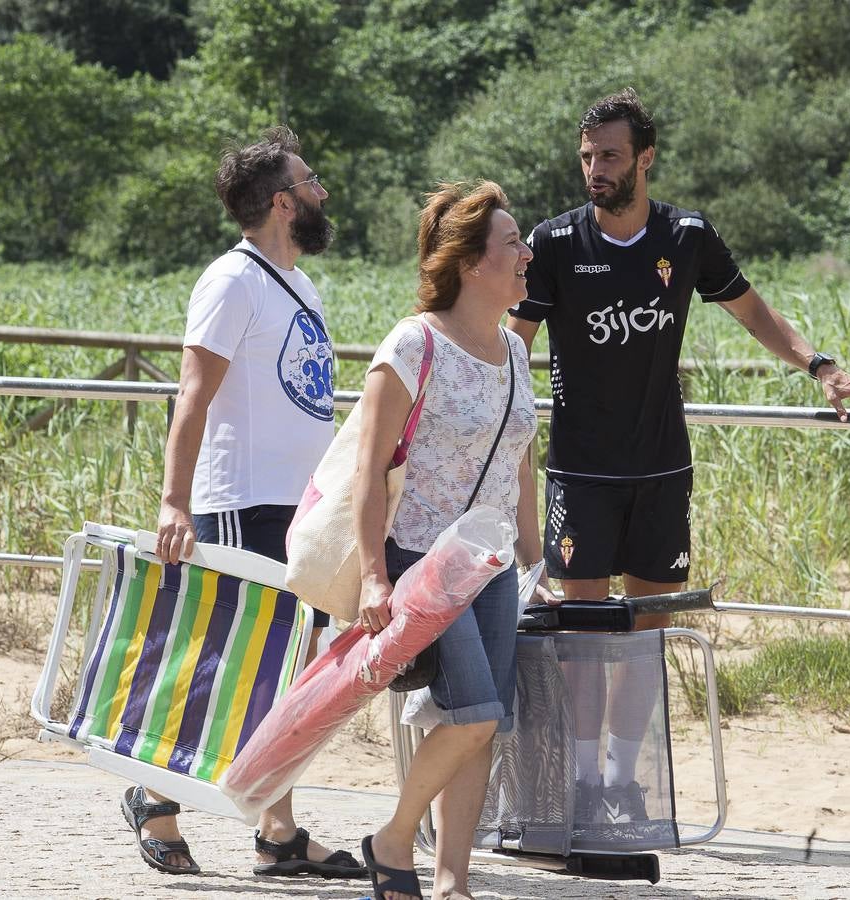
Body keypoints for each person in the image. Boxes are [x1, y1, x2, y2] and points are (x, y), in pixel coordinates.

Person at [507, 88, 850, 825]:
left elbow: (753, 310)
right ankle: (582, 783)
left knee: (647, 631)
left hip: (661, 468)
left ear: (645, 159)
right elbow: (510, 345)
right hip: (581, 472)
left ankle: (623, 779)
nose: (595, 168)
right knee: (586, 636)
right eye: (587, 156)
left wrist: (822, 367)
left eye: (611, 155)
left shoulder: (686, 236)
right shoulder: (554, 242)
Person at [133, 125, 363, 879]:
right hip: (240, 500)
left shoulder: (297, 283)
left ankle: (278, 832)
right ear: (281, 202)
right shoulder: (231, 280)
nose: (322, 191)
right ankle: (153, 793)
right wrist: (175, 501)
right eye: (311, 181)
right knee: (225, 659)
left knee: (289, 668)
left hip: (296, 507)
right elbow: (192, 396)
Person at [355, 181, 554, 900]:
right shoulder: (414, 343)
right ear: (472, 263)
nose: (527, 254)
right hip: (423, 560)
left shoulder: (513, 348)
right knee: (475, 714)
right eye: (512, 244)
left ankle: (451, 882)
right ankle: (392, 839)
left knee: (479, 726)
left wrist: (537, 561)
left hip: (493, 565)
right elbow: (370, 468)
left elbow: (519, 464)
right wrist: (376, 577)